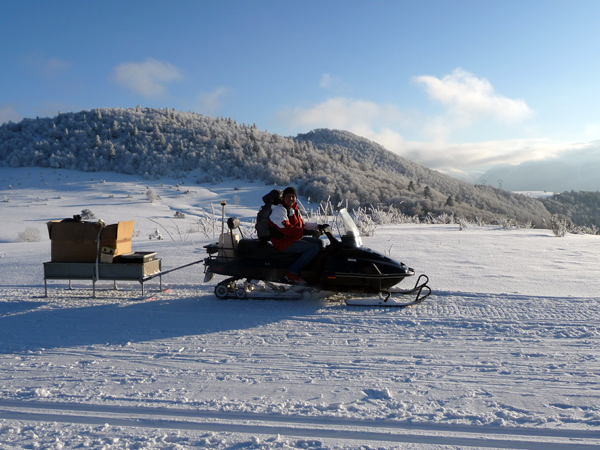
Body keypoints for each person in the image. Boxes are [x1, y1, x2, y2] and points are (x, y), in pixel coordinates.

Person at [269, 186, 326, 284]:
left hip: (291, 239)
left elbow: (302, 225)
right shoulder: (279, 210)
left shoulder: (292, 209)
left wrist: (318, 226)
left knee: (320, 242)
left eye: (293, 196)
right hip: (283, 242)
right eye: (288, 196)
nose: (291, 199)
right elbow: (287, 229)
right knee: (313, 248)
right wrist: (306, 232)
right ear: (283, 197)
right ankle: (292, 273)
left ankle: (310, 270)